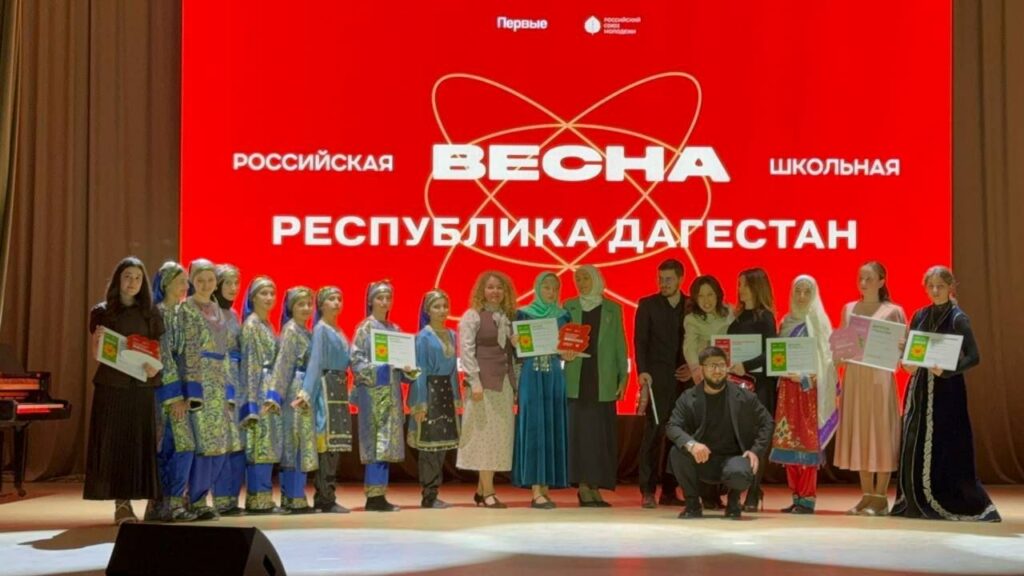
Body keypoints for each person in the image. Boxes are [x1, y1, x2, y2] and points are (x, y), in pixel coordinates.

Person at [892, 266, 1000, 522]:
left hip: (947, 390)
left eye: (940, 286)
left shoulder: (958, 318)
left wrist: (949, 370)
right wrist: (906, 356)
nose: (935, 291)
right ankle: (915, 499)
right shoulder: (920, 315)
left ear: (950, 287)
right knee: (913, 440)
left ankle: (945, 499)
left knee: (946, 444)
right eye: (931, 286)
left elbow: (974, 356)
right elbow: (913, 352)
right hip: (919, 388)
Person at [85, 256, 164, 525]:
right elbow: (97, 353)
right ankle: (121, 505)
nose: (132, 282)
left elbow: (157, 352)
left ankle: (137, 502)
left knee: (136, 447)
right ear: (118, 279)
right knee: (115, 447)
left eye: (138, 278)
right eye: (128, 276)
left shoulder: (151, 313)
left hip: (141, 388)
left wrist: (155, 368)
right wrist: (97, 345)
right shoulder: (102, 311)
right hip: (112, 388)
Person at [667, 346, 774, 519]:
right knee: (677, 453)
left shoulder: (744, 396)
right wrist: (692, 444)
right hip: (702, 459)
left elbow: (767, 422)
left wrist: (755, 451)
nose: (717, 370)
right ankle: (692, 505)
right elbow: (672, 426)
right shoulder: (689, 397)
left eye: (721, 365)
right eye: (712, 366)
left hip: (734, 460)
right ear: (702, 369)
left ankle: (733, 502)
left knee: (740, 472)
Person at [833, 261, 906, 516]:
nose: (863, 283)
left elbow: (903, 349)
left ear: (882, 281)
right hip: (855, 377)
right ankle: (866, 495)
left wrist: (900, 349)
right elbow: (841, 346)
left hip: (879, 379)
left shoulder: (893, 311)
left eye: (869, 278)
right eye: (860, 278)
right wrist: (838, 352)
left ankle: (880, 498)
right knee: (861, 432)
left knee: (880, 433)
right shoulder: (849, 308)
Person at [768, 275, 838, 514]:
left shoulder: (819, 323)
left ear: (814, 294)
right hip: (788, 391)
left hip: (809, 393)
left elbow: (827, 364)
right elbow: (778, 357)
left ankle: (807, 498)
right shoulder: (786, 321)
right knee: (788, 443)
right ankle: (796, 496)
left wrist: (807, 378)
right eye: (797, 291)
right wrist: (781, 371)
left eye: (807, 292)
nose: (801, 296)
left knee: (806, 445)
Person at [563, 265, 627, 507]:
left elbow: (620, 344)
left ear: (596, 280)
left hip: (604, 380)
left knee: (600, 436)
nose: (581, 283)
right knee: (579, 435)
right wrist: (563, 352)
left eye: (585, 278)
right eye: (577, 279)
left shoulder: (613, 308)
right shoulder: (569, 306)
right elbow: (561, 341)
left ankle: (595, 487)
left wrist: (623, 378)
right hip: (577, 379)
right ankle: (582, 487)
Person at [178, 259, 234, 520]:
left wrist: (229, 388)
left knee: (218, 445)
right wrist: (192, 388)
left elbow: (226, 350)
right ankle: (195, 499)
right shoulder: (186, 309)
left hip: (219, 383)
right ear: (192, 281)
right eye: (200, 280)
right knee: (201, 443)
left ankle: (203, 495)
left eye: (210, 279)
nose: (205, 284)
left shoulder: (218, 309)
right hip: (198, 381)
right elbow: (188, 350)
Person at [351, 280, 415, 511]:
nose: (384, 302)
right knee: (376, 443)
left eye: (388, 298)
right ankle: (373, 496)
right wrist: (381, 369)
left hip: (392, 393)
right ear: (371, 301)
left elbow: (403, 367)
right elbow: (356, 361)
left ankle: (380, 493)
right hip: (373, 394)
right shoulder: (364, 328)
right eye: (380, 298)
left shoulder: (395, 329)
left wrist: (409, 370)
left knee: (387, 444)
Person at [634, 259, 693, 508]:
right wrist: (643, 372)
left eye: (668, 279)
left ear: (680, 278)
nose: (663, 283)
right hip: (657, 380)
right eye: (660, 279)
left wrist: (693, 367)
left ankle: (670, 490)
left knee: (678, 435)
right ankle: (647, 490)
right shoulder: (647, 305)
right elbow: (640, 341)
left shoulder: (691, 305)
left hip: (684, 381)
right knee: (653, 434)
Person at [456, 271, 517, 509]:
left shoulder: (507, 318)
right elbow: (467, 351)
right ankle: (489, 492)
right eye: (490, 287)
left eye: (499, 288)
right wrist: (474, 381)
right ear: (482, 290)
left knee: (498, 438)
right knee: (484, 438)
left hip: (503, 385)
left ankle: (481, 491)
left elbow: (510, 355)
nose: (495, 292)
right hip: (482, 386)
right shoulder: (472, 316)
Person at [514, 271, 571, 509]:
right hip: (531, 374)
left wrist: (569, 353)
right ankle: (536, 489)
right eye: (546, 287)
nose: (551, 292)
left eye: (555, 288)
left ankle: (545, 488)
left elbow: (565, 350)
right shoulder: (524, 313)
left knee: (551, 426)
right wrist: (516, 343)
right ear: (538, 288)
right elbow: (518, 352)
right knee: (535, 428)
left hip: (554, 376)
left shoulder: (563, 315)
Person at [148, 260, 197, 522]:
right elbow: (163, 356)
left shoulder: (182, 313)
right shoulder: (159, 313)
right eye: (180, 281)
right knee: (171, 447)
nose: (185, 285)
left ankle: (171, 502)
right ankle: (166, 503)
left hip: (180, 390)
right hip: (164, 391)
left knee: (178, 446)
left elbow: (189, 356)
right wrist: (175, 396)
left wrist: (191, 393)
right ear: (166, 284)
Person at [296, 286, 352, 513]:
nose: (337, 302)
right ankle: (324, 497)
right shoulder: (321, 329)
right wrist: (306, 392)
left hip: (339, 389)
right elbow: (316, 361)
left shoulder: (338, 330)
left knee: (335, 445)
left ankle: (328, 495)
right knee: (326, 443)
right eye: (331, 299)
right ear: (321, 304)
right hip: (326, 389)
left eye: (339, 298)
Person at [726, 267, 778, 511]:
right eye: (739, 284)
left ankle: (754, 492)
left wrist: (745, 365)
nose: (740, 289)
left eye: (745, 285)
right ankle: (737, 489)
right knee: (739, 439)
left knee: (758, 441)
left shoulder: (765, 317)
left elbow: (770, 353)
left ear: (757, 287)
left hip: (760, 387)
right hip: (738, 387)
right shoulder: (736, 318)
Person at [408, 289, 461, 508]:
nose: (442, 311)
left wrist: (456, 398)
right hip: (429, 393)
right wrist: (420, 403)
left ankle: (435, 491)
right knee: (429, 447)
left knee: (441, 446)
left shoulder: (452, 335)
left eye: (445, 306)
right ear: (427, 310)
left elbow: (453, 371)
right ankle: (428, 495)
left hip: (445, 393)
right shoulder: (423, 337)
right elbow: (420, 371)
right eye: (436, 307)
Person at [266, 286, 316, 513]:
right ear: (290, 307)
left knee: (302, 443)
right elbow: (283, 364)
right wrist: (275, 395)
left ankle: (297, 495)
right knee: (292, 443)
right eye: (300, 304)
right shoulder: (291, 330)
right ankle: (292, 496)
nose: (306, 308)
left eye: (309, 304)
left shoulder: (307, 331)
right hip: (294, 392)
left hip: (305, 390)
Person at [238, 276, 281, 513]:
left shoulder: (267, 325)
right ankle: (257, 499)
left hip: (268, 389)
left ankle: (264, 496)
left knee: (267, 445)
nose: (269, 297)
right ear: (253, 297)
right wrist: (251, 403)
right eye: (263, 293)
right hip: (259, 390)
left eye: (272, 293)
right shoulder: (252, 325)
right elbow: (250, 365)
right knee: (259, 446)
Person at [211, 263, 245, 516]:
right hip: (219, 381)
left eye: (236, 283)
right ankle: (221, 498)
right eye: (228, 283)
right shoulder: (210, 313)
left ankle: (231, 498)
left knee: (236, 441)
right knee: (222, 440)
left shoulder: (234, 315)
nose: (233, 288)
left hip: (237, 381)